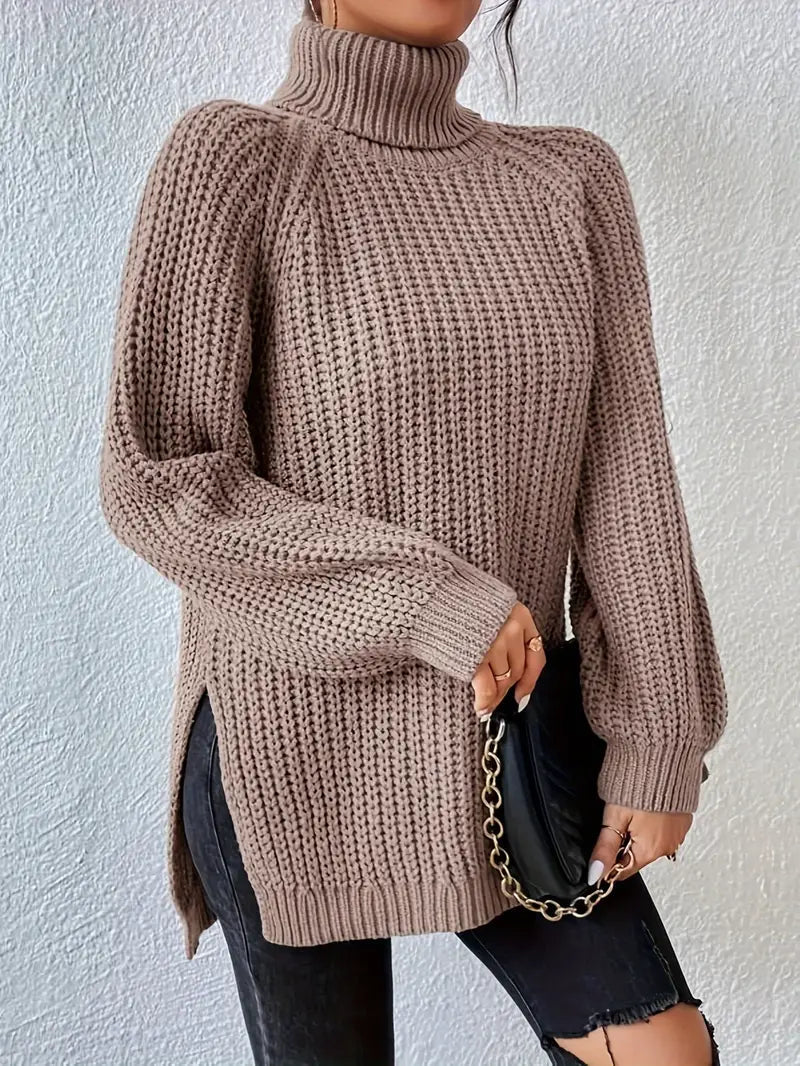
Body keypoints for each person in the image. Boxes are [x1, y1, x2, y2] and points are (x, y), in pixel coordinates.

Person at [98, 1, 727, 1063]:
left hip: (507, 748)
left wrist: (658, 735)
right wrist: (427, 598)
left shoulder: (568, 180)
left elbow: (627, 481)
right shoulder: (237, 159)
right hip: (286, 744)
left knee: (666, 1053)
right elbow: (159, 481)